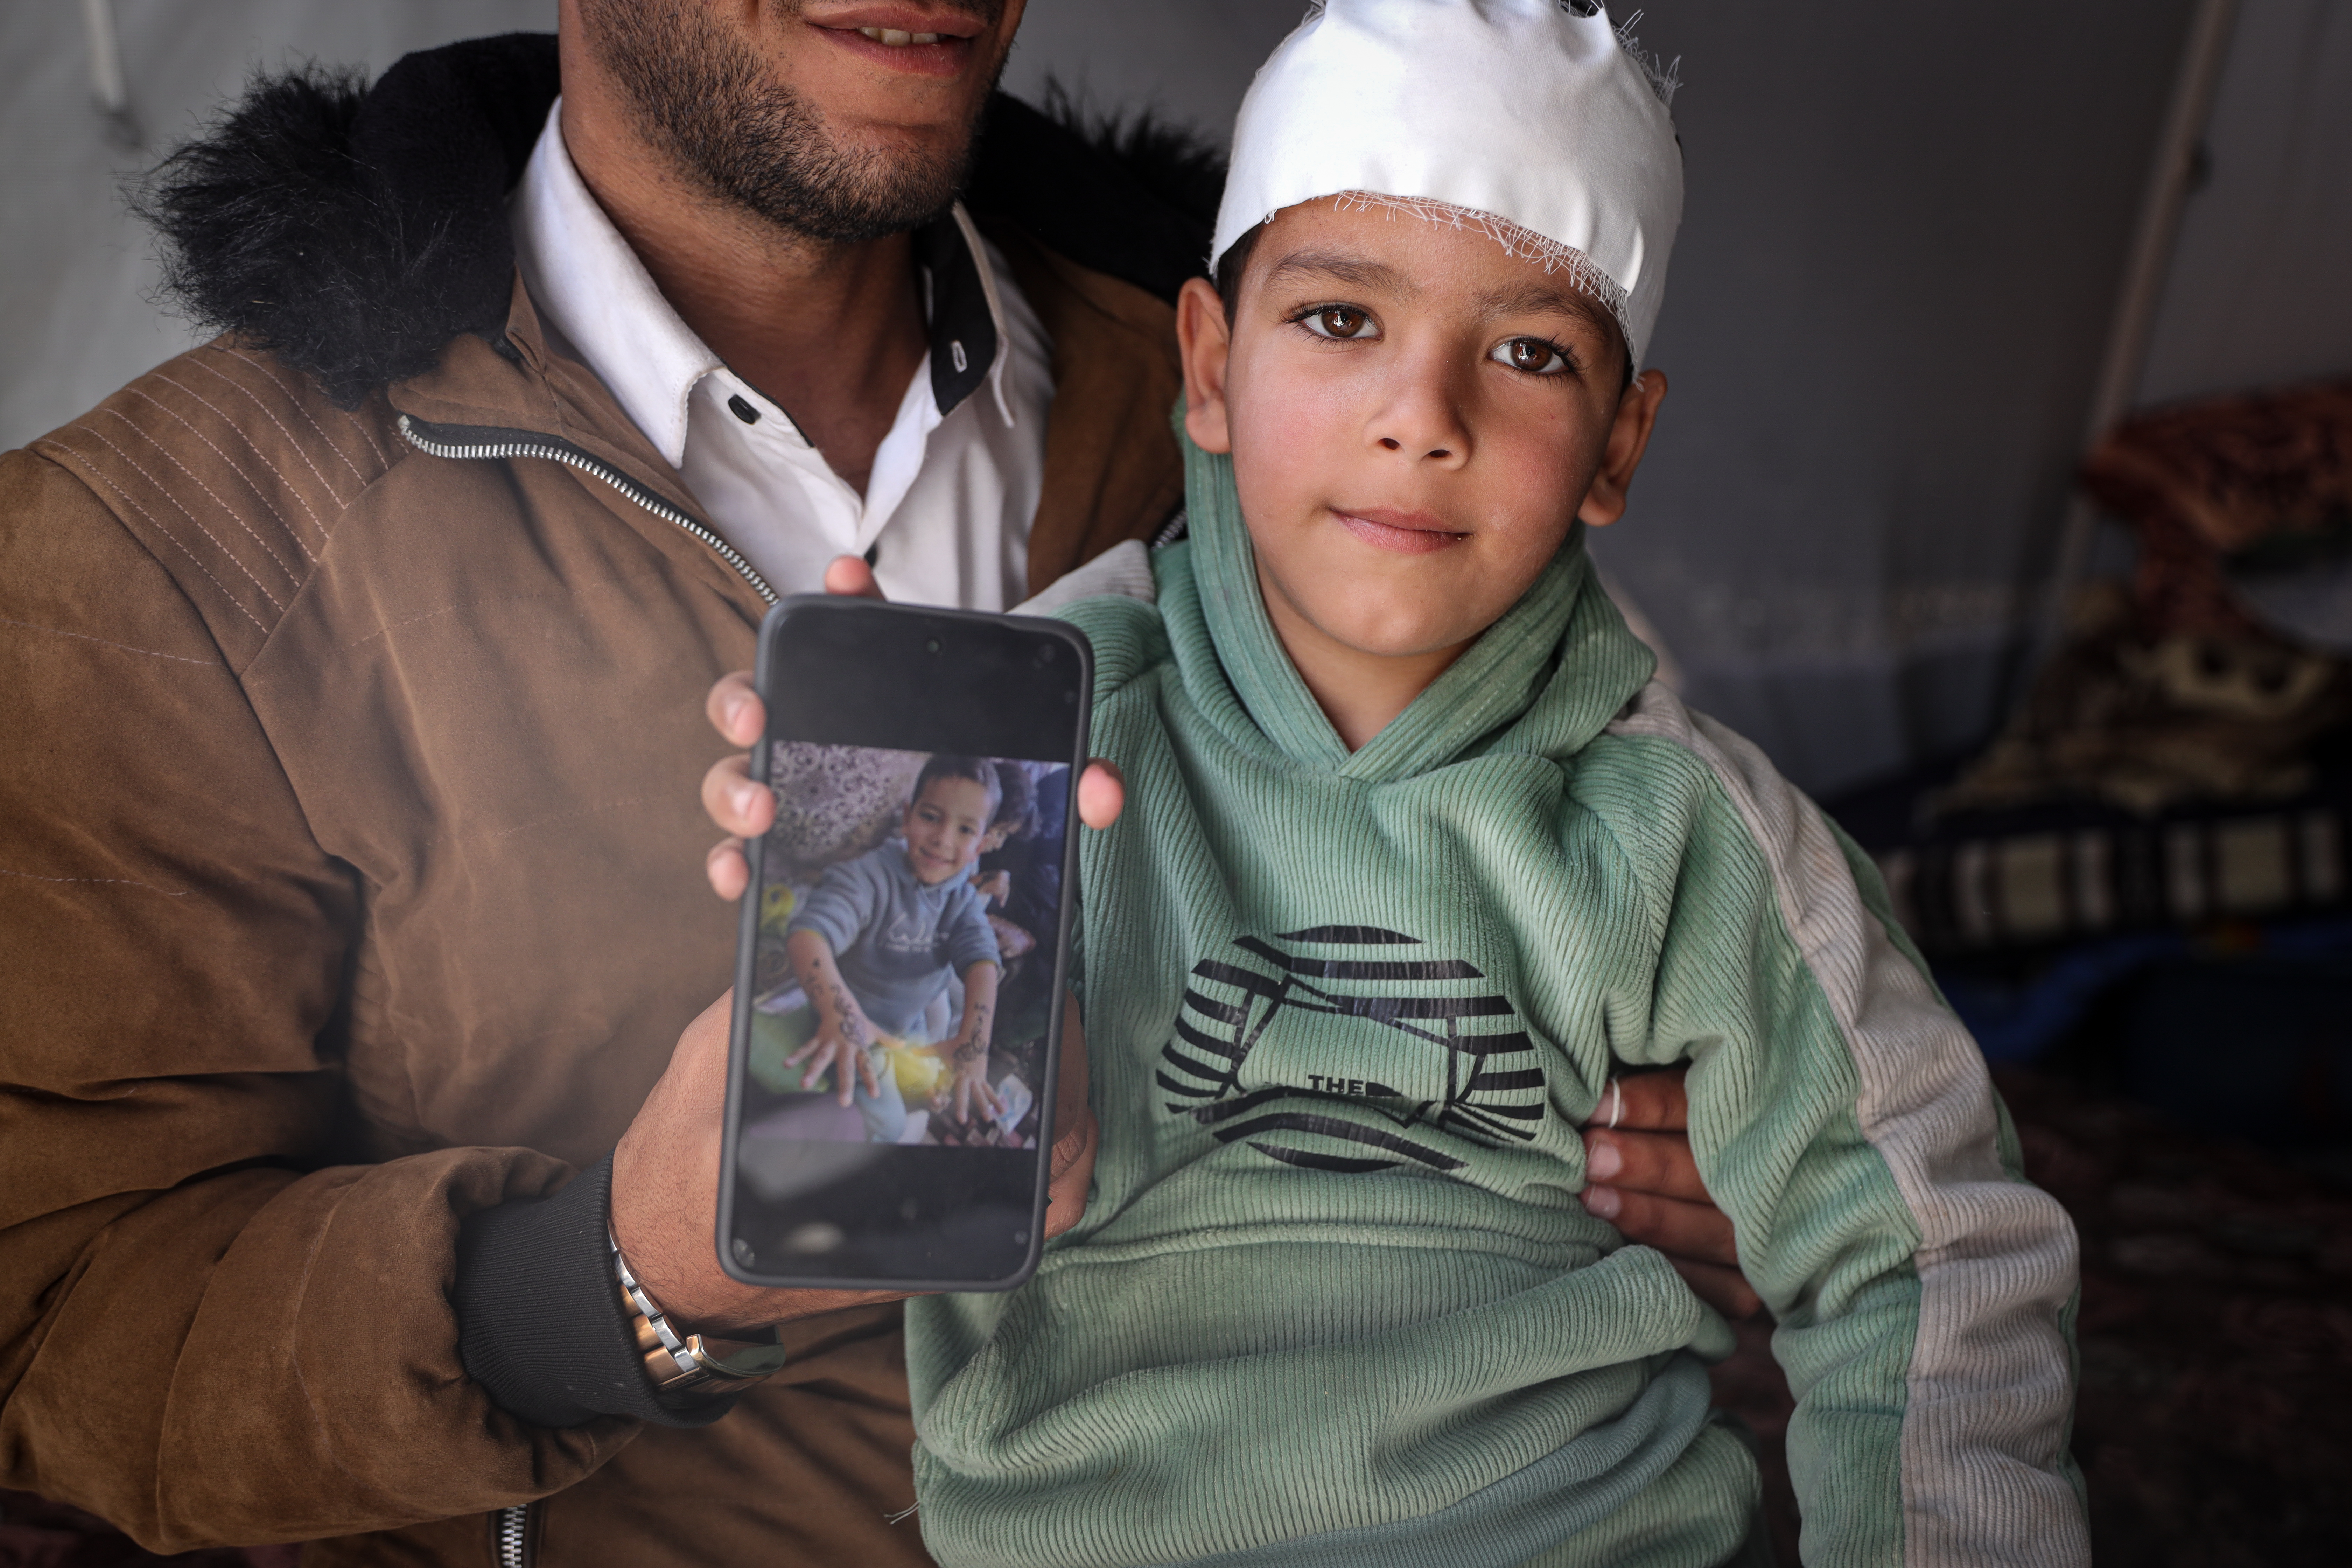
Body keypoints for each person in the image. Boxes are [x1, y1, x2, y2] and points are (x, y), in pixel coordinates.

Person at [2, 1, 1749, 1563]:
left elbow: (1618, 878)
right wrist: (615, 1277)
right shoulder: (159, 564)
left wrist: (1689, 1155)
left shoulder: (1267, 398)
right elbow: (58, 1320)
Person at [889, 5, 2089, 1565]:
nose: (1420, 418)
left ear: (1615, 443)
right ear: (1207, 363)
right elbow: (823, 1191)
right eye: (1336, 321)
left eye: (1526, 353)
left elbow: (1928, 1255)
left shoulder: (1680, 835)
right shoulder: (1021, 744)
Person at [781, 755, 1006, 1136]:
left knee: (933, 1074)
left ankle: (917, 1087)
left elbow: (984, 963)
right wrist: (845, 1017)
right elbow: (809, 936)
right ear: (907, 819)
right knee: (893, 1124)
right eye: (931, 817)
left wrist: (974, 1046)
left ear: (981, 846)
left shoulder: (962, 900)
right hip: (850, 1018)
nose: (943, 838)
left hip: (908, 1018)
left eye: (965, 829)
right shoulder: (868, 875)